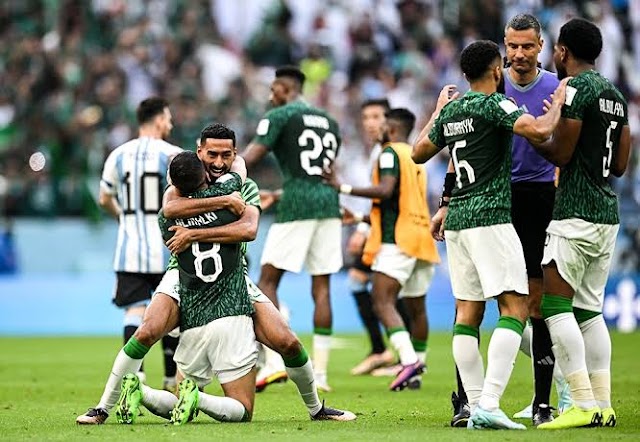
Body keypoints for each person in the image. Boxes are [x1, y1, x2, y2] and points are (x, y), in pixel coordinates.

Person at [77, 123, 355, 424]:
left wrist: (194, 234)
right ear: (200, 152)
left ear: (235, 154)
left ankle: (317, 409)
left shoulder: (236, 187)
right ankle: (103, 407)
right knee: (147, 330)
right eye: (212, 155)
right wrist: (225, 200)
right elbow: (173, 208)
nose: (219, 162)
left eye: (226, 155)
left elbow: (247, 229)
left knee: (287, 341)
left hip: (233, 275)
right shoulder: (198, 188)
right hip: (183, 275)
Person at [412, 40, 569, 429]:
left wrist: (436, 113)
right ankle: (491, 403)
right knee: (516, 308)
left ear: (464, 74)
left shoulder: (455, 110)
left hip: (459, 221)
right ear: (497, 70)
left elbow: (417, 152)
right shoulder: (493, 104)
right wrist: (561, 98)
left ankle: (477, 404)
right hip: (491, 219)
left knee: (467, 314)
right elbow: (539, 130)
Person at [532, 18, 630, 430]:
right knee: (589, 312)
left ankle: (580, 403)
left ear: (562, 52)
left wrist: (538, 131)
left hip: (574, 211)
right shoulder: (615, 93)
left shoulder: (574, 88)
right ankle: (602, 405)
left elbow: (561, 154)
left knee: (555, 306)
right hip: (607, 212)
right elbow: (622, 164)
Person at [116, 150, 257, 424]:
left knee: (180, 396)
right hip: (230, 311)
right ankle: (200, 398)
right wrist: (229, 190)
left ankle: (141, 392)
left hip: (192, 315)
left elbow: (170, 207)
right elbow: (240, 174)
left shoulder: (167, 220)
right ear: (205, 173)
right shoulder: (228, 200)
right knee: (243, 409)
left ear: (174, 184)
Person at [324, 108, 440, 391]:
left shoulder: (389, 153)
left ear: (393, 128)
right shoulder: (415, 156)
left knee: (381, 300)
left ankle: (409, 360)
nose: (378, 129)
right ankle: (415, 373)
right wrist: (362, 218)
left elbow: (386, 190)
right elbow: (400, 202)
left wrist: (344, 188)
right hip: (421, 236)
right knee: (416, 307)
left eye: (383, 124)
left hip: (397, 239)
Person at [243, 66, 342, 392]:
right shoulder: (329, 121)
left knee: (267, 280)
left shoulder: (280, 115)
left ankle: (273, 362)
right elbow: (322, 173)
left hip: (297, 205)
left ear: (286, 89)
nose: (270, 96)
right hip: (328, 204)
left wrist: (222, 177)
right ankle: (323, 375)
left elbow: (251, 157)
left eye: (273, 90)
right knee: (322, 287)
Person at [98, 96, 181, 391]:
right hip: (168, 247)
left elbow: (104, 198)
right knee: (173, 312)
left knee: (134, 311)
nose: (170, 124)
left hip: (129, 249)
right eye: (168, 118)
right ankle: (172, 379)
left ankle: (137, 378)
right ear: (159, 119)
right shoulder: (173, 154)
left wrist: (123, 216)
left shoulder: (118, 155)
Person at [338, 98, 396, 376]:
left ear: (389, 120)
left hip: (390, 232)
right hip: (379, 229)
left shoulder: (388, 152)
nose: (370, 123)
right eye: (366, 117)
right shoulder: (375, 152)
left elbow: (383, 196)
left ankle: (395, 355)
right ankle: (388, 353)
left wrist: (362, 230)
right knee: (373, 287)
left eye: (376, 116)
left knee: (384, 292)